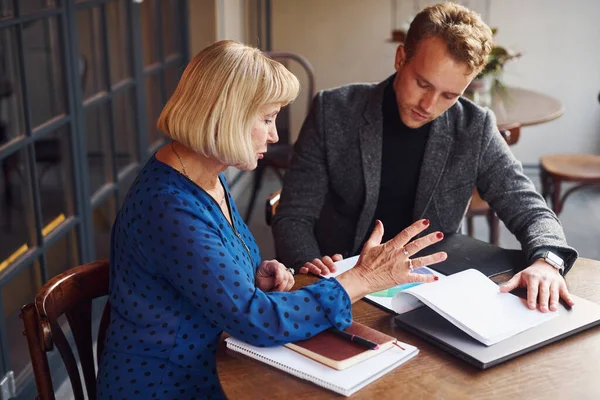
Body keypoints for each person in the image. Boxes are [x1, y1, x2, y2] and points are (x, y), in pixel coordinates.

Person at [96, 40, 447, 400]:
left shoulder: (205, 174)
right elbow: (258, 321)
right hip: (169, 385)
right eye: (266, 119)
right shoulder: (167, 206)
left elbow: (203, 274)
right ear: (224, 114)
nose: (275, 134)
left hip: (215, 358)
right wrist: (362, 278)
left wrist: (254, 275)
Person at [272, 2, 578, 314]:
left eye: (449, 96)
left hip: (428, 293)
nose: (428, 106)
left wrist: (547, 261)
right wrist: (308, 265)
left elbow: (529, 208)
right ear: (400, 58)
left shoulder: (475, 127)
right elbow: (294, 216)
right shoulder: (332, 111)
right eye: (422, 84)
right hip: (342, 287)